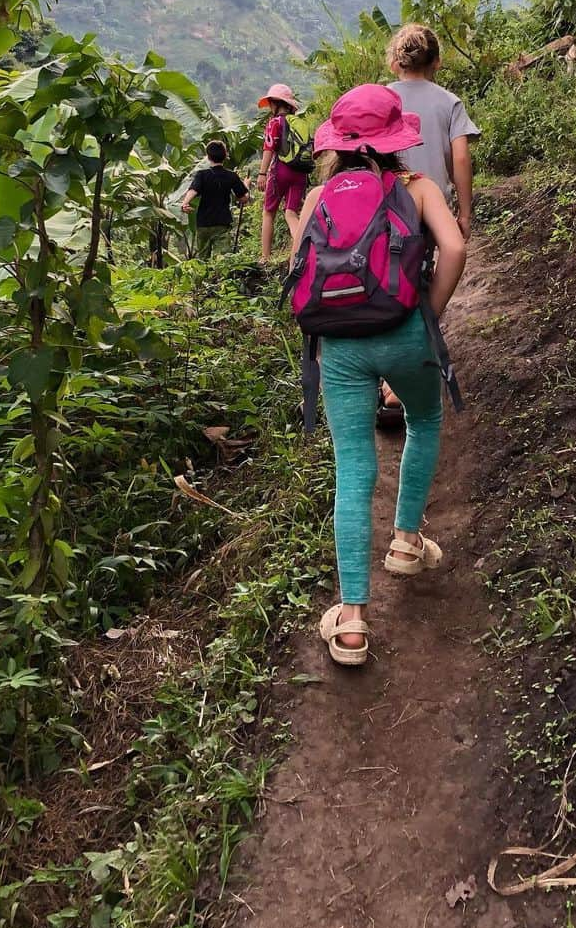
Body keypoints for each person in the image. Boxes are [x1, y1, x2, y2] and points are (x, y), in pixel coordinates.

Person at [289, 85, 467, 665]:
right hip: (404, 334)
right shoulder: (419, 189)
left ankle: (352, 623)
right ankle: (408, 542)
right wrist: (427, 319)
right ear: (397, 139)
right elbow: (455, 250)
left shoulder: (318, 196)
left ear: (335, 144)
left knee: (354, 466)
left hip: (339, 347)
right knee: (423, 418)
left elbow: (303, 272)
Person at [387, 22, 480, 241]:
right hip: (434, 206)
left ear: (395, 64)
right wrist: (464, 215)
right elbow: (461, 159)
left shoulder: (382, 99)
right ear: (437, 62)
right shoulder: (450, 102)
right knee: (437, 261)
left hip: (390, 202)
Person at [256, 82, 311, 264]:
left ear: (275, 103)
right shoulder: (300, 123)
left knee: (268, 212)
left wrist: (262, 173)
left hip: (280, 170)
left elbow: (268, 149)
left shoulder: (275, 123)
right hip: (300, 172)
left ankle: (265, 257)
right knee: (291, 213)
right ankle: (301, 248)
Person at [181, 140, 249, 259]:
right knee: (221, 258)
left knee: (202, 260)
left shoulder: (202, 175)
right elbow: (243, 198)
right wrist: (246, 185)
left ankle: (203, 277)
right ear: (225, 155)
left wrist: (185, 203)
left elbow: (193, 190)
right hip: (222, 222)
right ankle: (219, 277)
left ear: (208, 157)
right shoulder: (231, 176)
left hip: (203, 223)